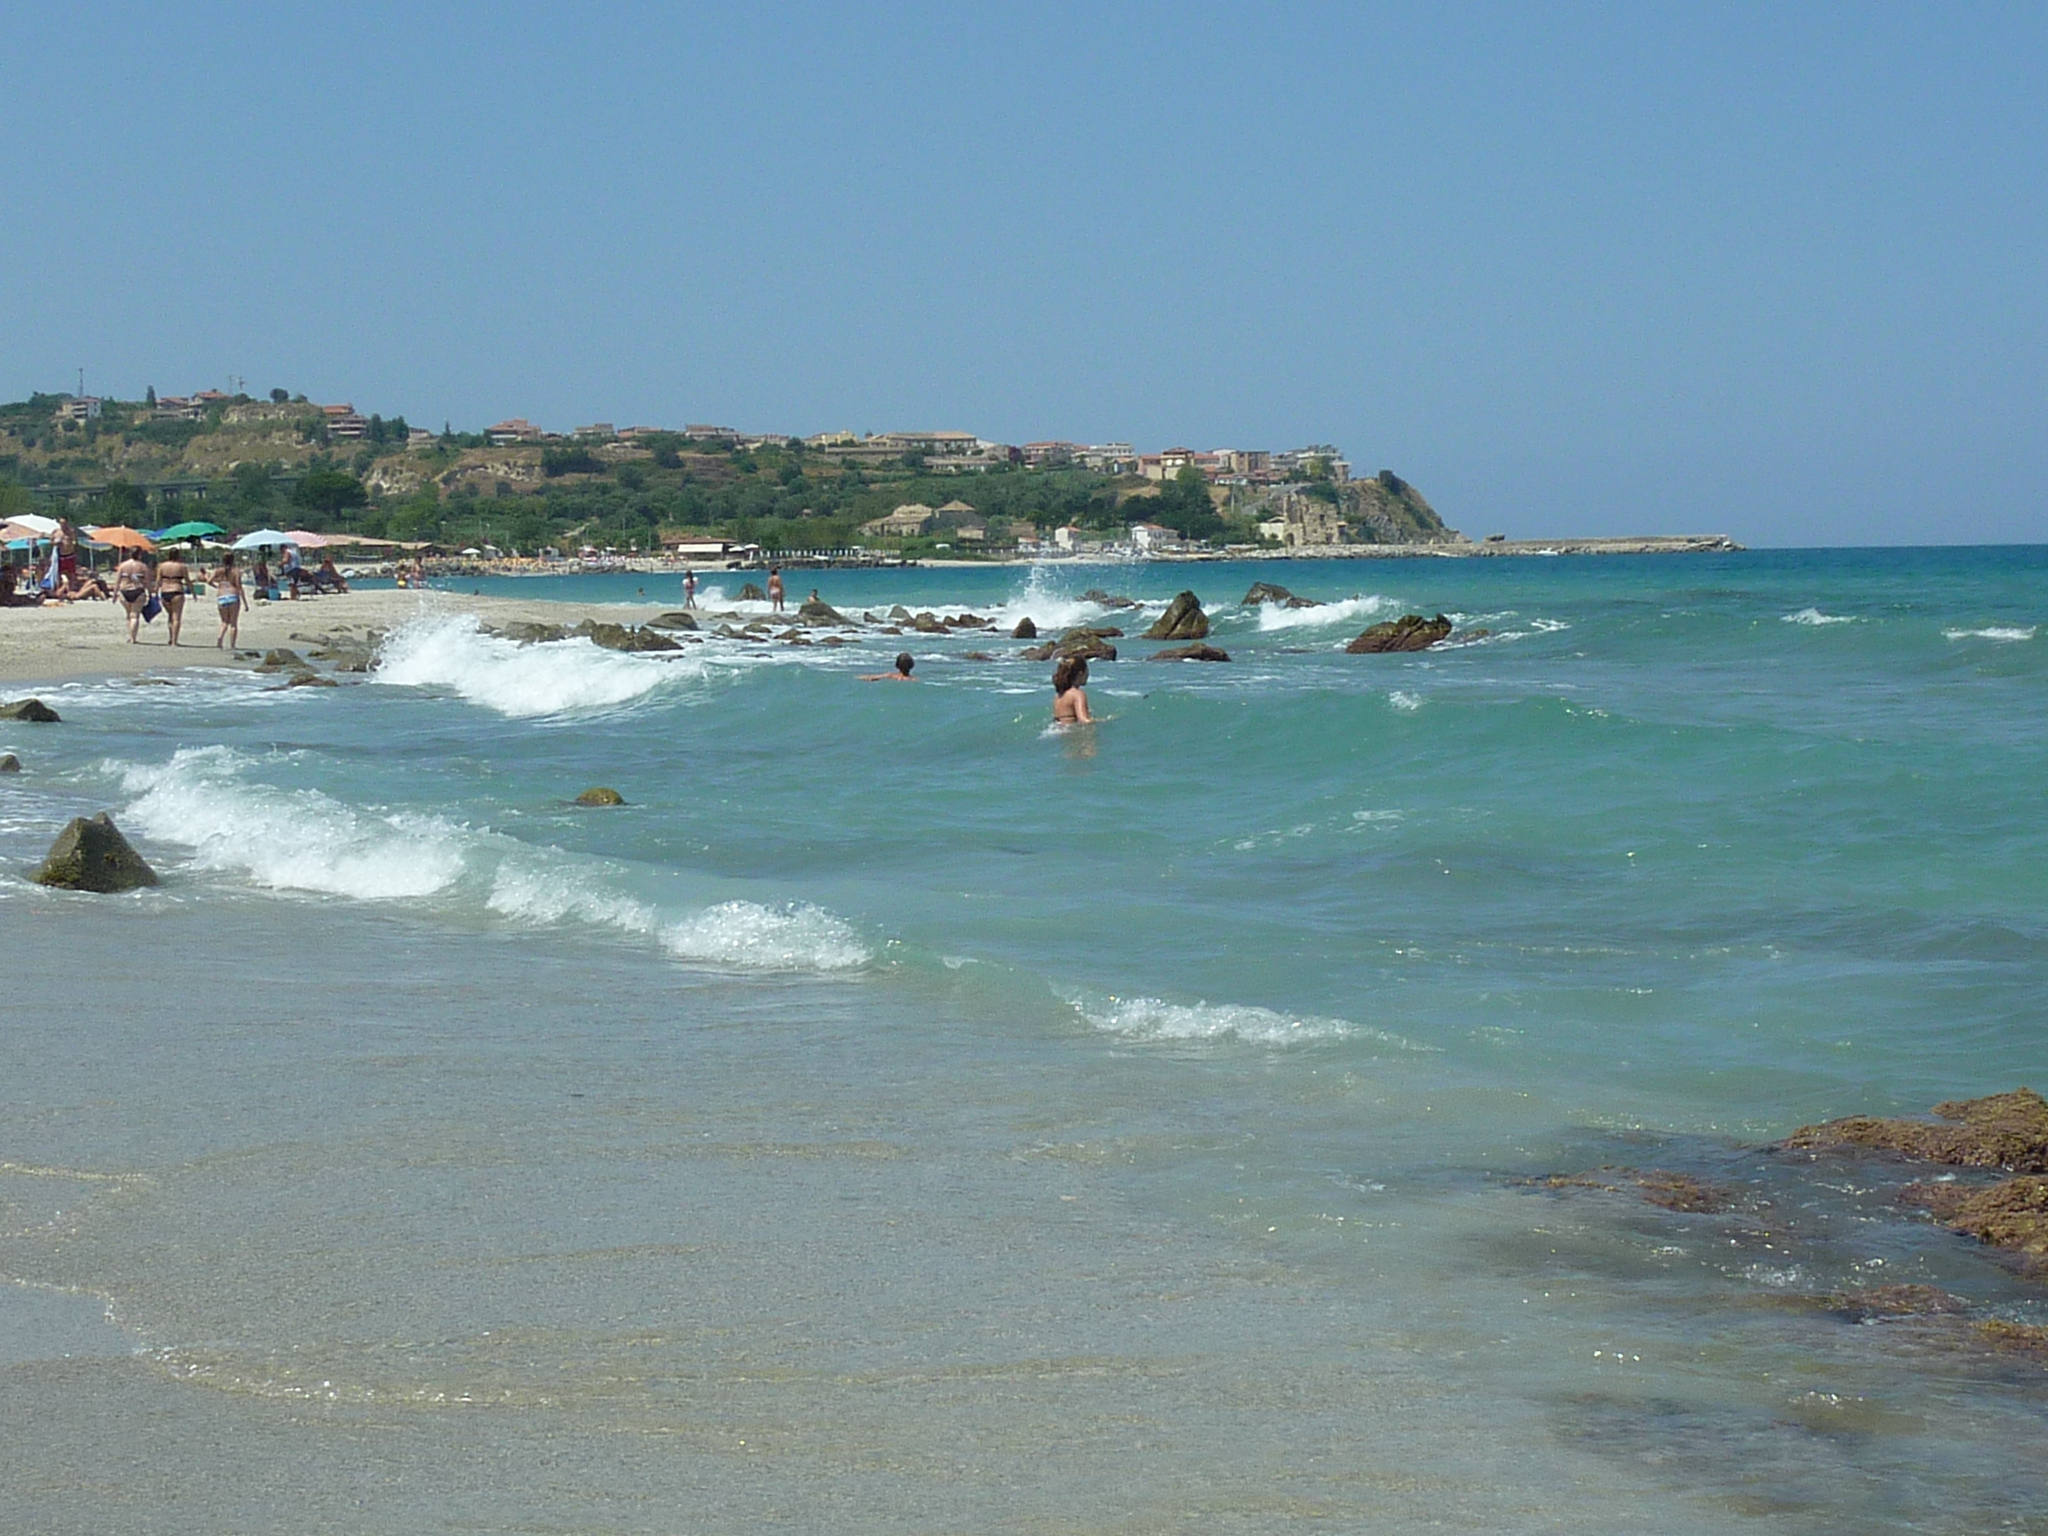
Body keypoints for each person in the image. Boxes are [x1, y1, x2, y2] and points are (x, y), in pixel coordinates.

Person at [114, 547, 153, 643]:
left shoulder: (123, 565)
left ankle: (130, 636)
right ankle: (133, 638)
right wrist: (150, 593)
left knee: (129, 615)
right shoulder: (143, 566)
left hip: (124, 591)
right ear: (139, 555)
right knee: (135, 616)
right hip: (138, 591)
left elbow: (117, 581)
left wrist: (115, 594)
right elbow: (147, 582)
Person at [156, 547, 190, 644]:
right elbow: (187, 580)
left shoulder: (162, 566)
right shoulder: (182, 566)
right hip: (177, 591)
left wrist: (155, 592)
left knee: (170, 616)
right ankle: (175, 640)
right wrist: (193, 592)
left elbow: (158, 580)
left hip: (165, 591)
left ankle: (171, 638)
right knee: (176, 617)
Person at [214, 551, 245, 648]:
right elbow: (239, 587)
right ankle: (232, 645)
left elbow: (209, 580)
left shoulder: (218, 571)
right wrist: (245, 603)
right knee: (233, 623)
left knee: (224, 621)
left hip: (222, 596)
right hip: (233, 596)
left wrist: (217, 586)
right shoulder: (236, 572)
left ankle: (220, 639)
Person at [1052, 654, 1094, 724]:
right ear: (1081, 673)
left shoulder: (1059, 695)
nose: (1088, 675)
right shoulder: (1077, 694)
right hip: (1071, 730)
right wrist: (1105, 721)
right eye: (1087, 671)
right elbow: (1084, 720)